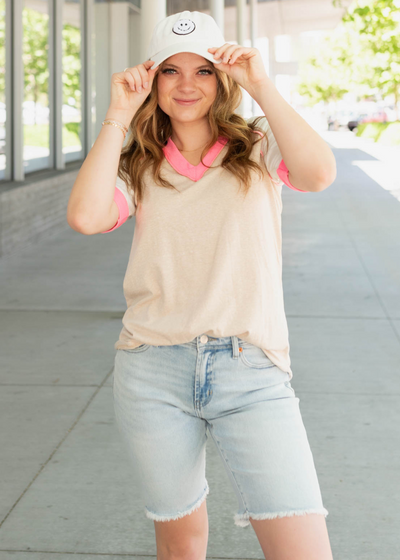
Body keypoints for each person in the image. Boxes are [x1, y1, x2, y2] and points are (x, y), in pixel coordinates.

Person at [67, 10, 336, 560]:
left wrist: (261, 85)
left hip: (252, 369)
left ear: (224, 78)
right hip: (152, 370)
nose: (187, 84)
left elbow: (317, 174)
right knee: (181, 544)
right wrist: (119, 112)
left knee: (302, 549)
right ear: (153, 79)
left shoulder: (258, 145)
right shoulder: (136, 160)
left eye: (205, 70)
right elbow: (87, 217)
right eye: (171, 70)